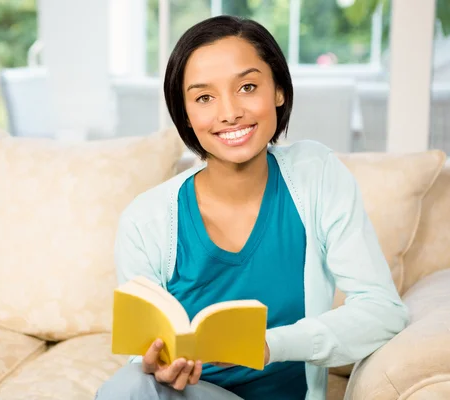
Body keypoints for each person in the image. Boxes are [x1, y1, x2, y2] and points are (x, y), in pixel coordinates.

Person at [96, 15, 408, 400]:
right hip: (189, 395)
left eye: (247, 87)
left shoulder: (317, 175)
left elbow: (384, 312)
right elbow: (139, 360)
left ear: (278, 89)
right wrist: (154, 366)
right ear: (187, 114)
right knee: (130, 385)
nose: (230, 113)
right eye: (204, 97)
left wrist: (267, 345)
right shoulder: (145, 219)